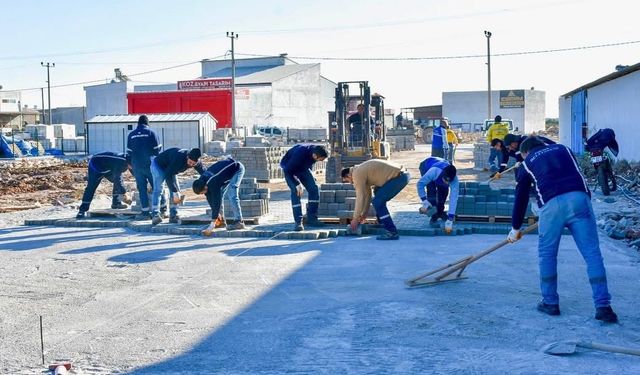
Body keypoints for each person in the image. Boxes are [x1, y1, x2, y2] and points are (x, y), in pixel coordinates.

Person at [507, 136, 618, 323]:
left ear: (525, 152)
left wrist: (515, 227)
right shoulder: (564, 149)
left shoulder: (526, 163)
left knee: (547, 254)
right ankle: (603, 307)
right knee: (592, 254)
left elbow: (522, 196)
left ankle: (550, 303)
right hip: (580, 199)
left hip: (552, 206)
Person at [341, 159, 410, 240]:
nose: (350, 183)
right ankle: (382, 222)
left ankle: (392, 232)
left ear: (349, 175)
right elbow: (367, 196)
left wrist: (355, 218)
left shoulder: (357, 174)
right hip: (401, 176)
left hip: (399, 178)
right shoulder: (361, 172)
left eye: (348, 180)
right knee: (377, 192)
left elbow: (360, 197)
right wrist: (364, 215)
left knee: (378, 202)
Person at [150, 147, 205, 225]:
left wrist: (208, 181)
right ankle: (155, 214)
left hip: (171, 168)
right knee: (159, 189)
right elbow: (168, 175)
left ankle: (173, 214)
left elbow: (204, 172)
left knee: (176, 190)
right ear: (187, 157)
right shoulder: (178, 158)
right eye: (190, 162)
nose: (191, 165)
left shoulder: (196, 162)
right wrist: (174, 191)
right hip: (159, 165)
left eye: (193, 164)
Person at [280, 144, 328, 231]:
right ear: (314, 155)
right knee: (296, 191)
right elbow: (288, 171)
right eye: (320, 160)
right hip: (289, 170)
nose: (320, 161)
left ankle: (312, 218)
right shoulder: (299, 153)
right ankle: (298, 222)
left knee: (314, 188)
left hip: (303, 168)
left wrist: (311, 178)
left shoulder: (315, 151)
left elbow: (309, 165)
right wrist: (297, 183)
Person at [126, 115, 166, 220]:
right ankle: (162, 209)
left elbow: (128, 152)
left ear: (138, 123)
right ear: (147, 123)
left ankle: (145, 212)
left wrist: (131, 163)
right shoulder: (151, 133)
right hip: (150, 165)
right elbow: (158, 150)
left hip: (136, 166)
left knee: (142, 188)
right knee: (157, 187)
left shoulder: (131, 135)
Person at [192, 157, 246, 233]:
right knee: (220, 195)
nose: (203, 194)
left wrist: (212, 223)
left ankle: (239, 222)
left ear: (205, 187)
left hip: (236, 169)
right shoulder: (202, 182)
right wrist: (217, 217)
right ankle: (221, 222)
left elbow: (216, 201)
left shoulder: (212, 182)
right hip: (224, 175)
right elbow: (210, 198)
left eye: (202, 192)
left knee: (232, 194)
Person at [76, 152, 132, 219]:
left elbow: (135, 173)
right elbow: (117, 178)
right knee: (91, 188)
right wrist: (124, 193)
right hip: (96, 167)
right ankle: (82, 210)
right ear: (128, 163)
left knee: (119, 183)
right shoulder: (119, 162)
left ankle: (116, 203)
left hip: (108, 168)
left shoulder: (129, 161)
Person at [416, 157, 459, 233]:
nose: (447, 183)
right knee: (431, 190)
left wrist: (450, 218)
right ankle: (434, 215)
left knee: (444, 191)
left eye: (448, 182)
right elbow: (420, 184)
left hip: (440, 166)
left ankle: (440, 212)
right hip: (426, 166)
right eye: (445, 180)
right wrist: (424, 200)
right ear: (443, 175)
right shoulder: (434, 172)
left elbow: (453, 198)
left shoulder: (454, 180)